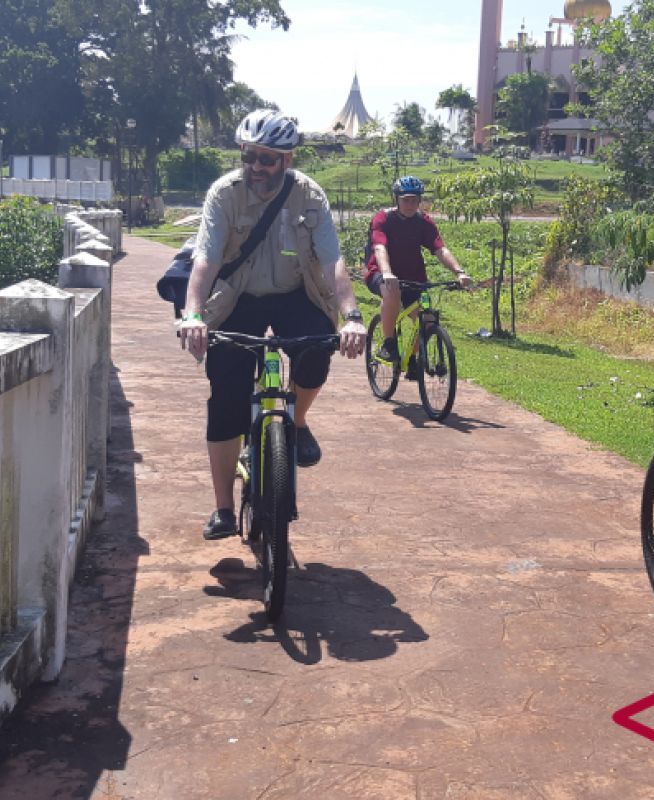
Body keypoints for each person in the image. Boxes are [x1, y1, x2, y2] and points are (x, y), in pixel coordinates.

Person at [178, 109, 367, 540]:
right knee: (225, 398)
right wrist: (192, 314)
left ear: (288, 160)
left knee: (316, 352)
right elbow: (205, 259)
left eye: (268, 159)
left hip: (295, 292)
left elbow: (332, 259)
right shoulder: (225, 193)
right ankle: (224, 508)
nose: (256, 168)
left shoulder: (309, 195)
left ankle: (296, 423)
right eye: (250, 156)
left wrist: (352, 317)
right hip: (237, 297)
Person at [365, 175, 473, 377]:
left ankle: (412, 358)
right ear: (396, 199)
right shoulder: (383, 218)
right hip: (380, 273)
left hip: (415, 278)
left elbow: (440, 250)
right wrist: (387, 273)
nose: (410, 204)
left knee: (428, 320)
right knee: (392, 293)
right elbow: (380, 247)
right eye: (406, 199)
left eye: (415, 200)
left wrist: (459, 272)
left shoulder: (423, 222)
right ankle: (388, 344)